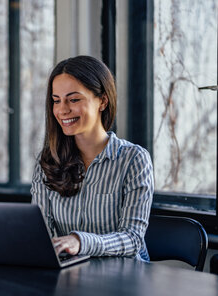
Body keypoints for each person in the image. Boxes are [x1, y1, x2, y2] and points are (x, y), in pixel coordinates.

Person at [31, 55, 154, 261]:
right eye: (56, 101)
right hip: (68, 275)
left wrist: (79, 241)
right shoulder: (48, 160)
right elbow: (41, 233)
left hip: (123, 278)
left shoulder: (134, 159)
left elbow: (133, 239)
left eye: (74, 99)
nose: (62, 110)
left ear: (102, 101)